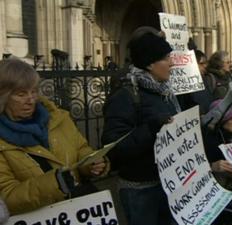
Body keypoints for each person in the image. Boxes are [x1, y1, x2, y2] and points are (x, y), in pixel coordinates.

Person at [0, 59, 108, 215]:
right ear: (3, 97)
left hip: (81, 210)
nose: (31, 100)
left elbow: (81, 149)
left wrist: (91, 165)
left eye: (34, 91)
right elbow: (6, 197)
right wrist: (55, 184)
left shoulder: (58, 118)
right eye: (21, 94)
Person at [102, 32, 179, 225]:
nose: (172, 63)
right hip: (140, 190)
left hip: (167, 184)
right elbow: (113, 146)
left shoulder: (166, 93)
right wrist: (152, 128)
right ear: (150, 63)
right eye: (166, 58)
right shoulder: (125, 96)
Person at [177, 50, 213, 114]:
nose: (205, 66)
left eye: (206, 63)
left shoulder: (206, 80)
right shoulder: (183, 85)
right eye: (201, 63)